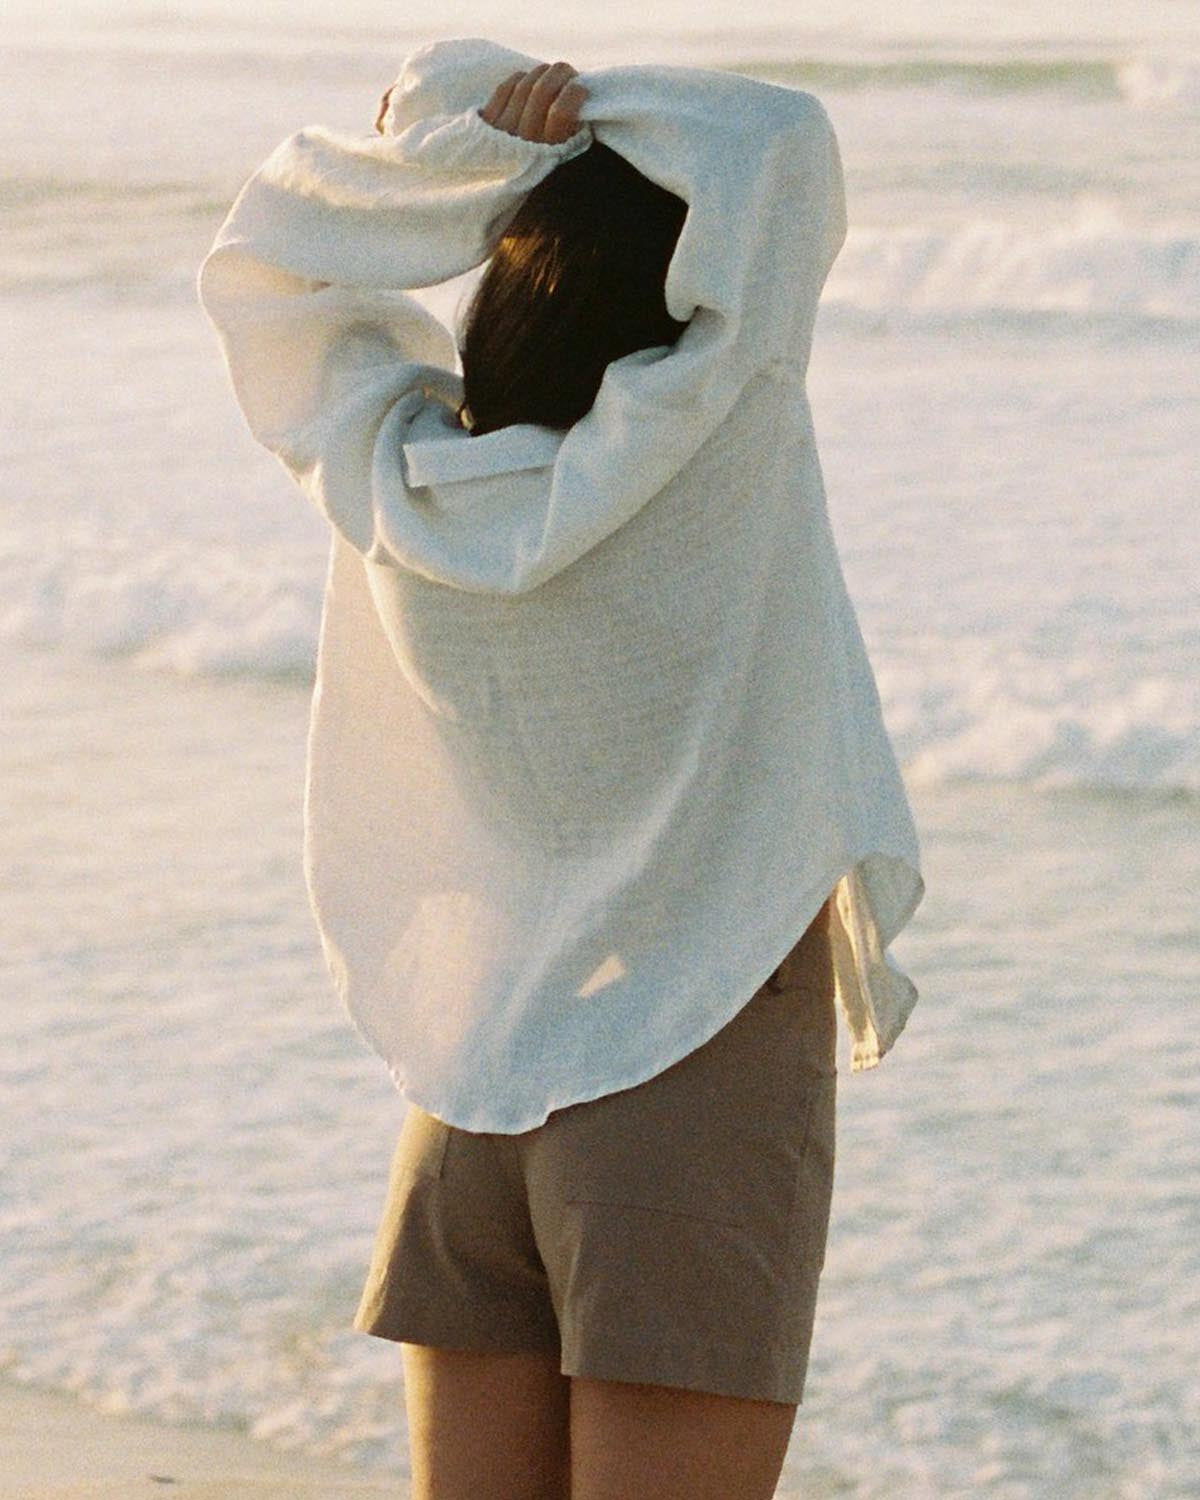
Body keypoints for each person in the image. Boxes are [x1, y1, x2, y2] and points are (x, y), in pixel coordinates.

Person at [199, 37, 924, 1500]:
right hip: (690, 1065)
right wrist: (594, 120)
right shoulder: (712, 440)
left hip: (475, 1087)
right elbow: (780, 144)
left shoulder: (397, 479)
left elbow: (278, 262)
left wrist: (481, 131)